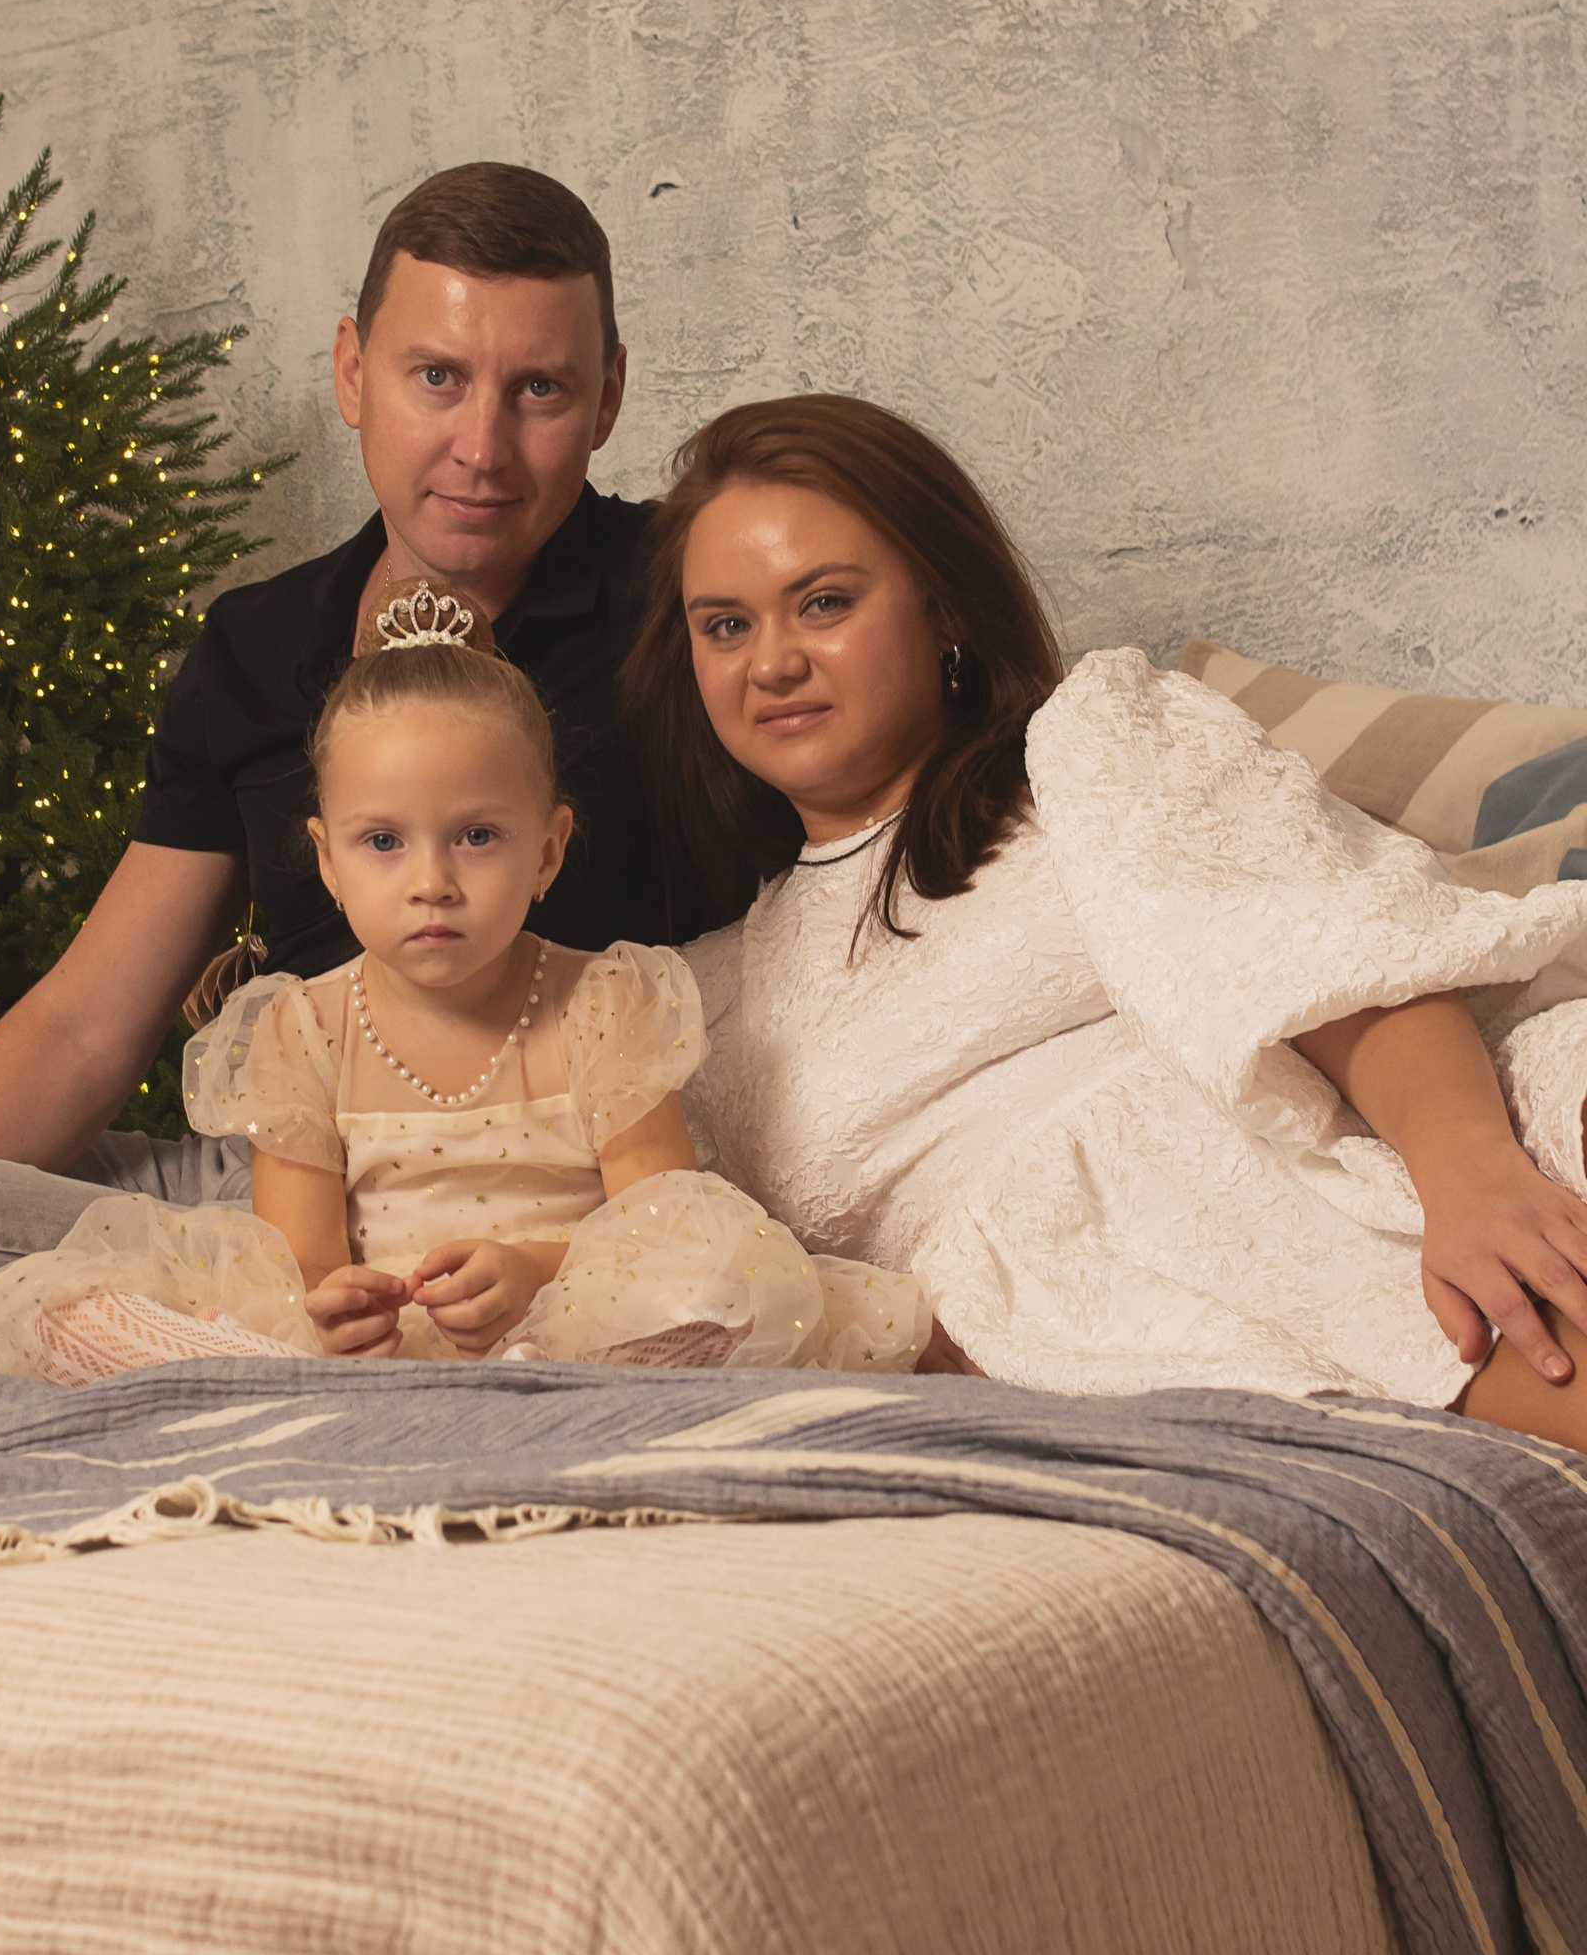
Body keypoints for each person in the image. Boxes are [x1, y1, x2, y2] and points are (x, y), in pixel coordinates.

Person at [0, 163, 718, 1406]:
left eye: (539, 389)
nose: (481, 447)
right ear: (352, 370)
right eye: (436, 377)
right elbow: (86, 1021)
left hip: (475, 1201)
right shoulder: (257, 646)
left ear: (608, 399)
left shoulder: (689, 603)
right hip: (268, 1165)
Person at [622, 391, 1587, 1451]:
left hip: (1400, 1162)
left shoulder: (1089, 746)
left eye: (824, 603)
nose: (771, 663)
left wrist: (1472, 1178)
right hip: (1088, 1333)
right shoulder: (692, 1004)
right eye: (726, 625)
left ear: (942, 606)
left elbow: (1332, 947)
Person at [0, 578, 930, 1380]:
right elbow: (300, 1260)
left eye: (477, 836)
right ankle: (309, 1382)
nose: (431, 882)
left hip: (568, 1323)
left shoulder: (606, 1004)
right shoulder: (301, 1029)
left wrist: (530, 1272)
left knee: (732, 1293)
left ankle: (542, 1380)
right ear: (327, 861)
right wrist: (335, 1310)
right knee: (67, 1311)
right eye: (382, 842)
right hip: (365, 1355)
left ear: (548, 851)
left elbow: (674, 1228)